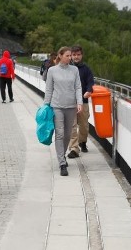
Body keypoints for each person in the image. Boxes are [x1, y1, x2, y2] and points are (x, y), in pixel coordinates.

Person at [44, 47, 83, 176]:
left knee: (67, 134)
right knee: (59, 133)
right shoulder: (52, 70)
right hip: (57, 106)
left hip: (71, 106)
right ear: (60, 56)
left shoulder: (74, 70)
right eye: (67, 55)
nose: (70, 58)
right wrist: (46, 105)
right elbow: (49, 89)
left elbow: (78, 87)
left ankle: (63, 155)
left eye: (70, 55)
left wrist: (79, 102)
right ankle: (61, 163)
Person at [67, 45, 96, 157]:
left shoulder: (86, 69)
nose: (76, 57)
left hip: (83, 101)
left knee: (84, 125)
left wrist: (89, 90)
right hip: (70, 102)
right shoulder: (67, 68)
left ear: (81, 55)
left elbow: (90, 82)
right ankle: (74, 149)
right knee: (72, 126)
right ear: (71, 56)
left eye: (78, 54)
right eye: (74, 55)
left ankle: (82, 142)